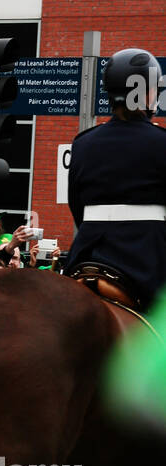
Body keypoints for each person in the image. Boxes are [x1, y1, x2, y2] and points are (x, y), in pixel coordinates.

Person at [64, 48, 166, 310]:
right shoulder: (161, 142)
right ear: (146, 92)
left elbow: (77, 207)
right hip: (148, 262)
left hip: (87, 256)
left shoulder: (83, 143)